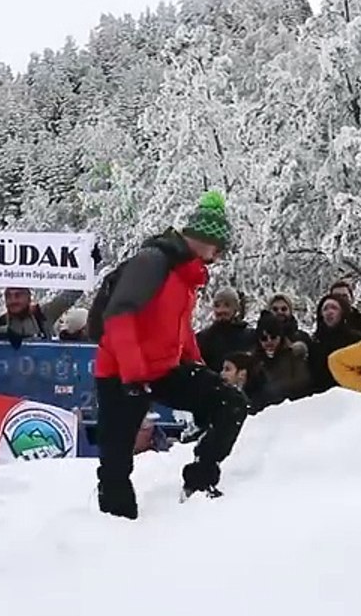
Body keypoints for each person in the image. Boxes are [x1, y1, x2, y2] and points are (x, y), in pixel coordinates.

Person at [90, 191, 249, 519]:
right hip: (122, 371)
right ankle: (113, 528)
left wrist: (199, 367)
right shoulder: (154, 261)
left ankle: (200, 482)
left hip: (164, 369)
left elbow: (179, 327)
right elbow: (119, 316)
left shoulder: (186, 275)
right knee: (116, 460)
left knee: (229, 401)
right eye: (217, 249)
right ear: (203, 239)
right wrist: (133, 375)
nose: (218, 257)